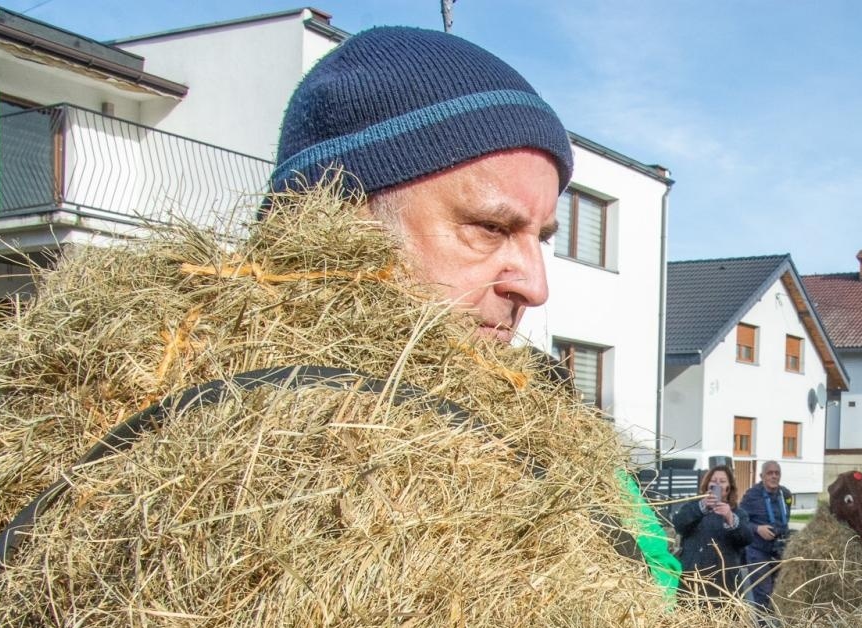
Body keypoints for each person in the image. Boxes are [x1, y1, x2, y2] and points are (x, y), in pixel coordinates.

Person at [270, 25, 679, 592]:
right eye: (490, 227)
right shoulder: (238, 430)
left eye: (543, 238)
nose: (535, 287)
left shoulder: (552, 410)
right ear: (334, 221)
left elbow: (657, 575)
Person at [671, 465, 750, 600]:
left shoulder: (738, 513)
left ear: (729, 487)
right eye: (714, 480)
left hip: (723, 584)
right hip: (693, 581)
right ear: (707, 484)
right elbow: (679, 524)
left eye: (722, 481)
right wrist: (701, 508)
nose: (717, 484)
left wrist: (730, 518)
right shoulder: (693, 506)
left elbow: (747, 538)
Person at [737, 461, 792, 610]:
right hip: (757, 550)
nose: (774, 476)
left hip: (779, 550)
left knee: (779, 592)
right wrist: (757, 528)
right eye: (770, 473)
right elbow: (740, 522)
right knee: (763, 593)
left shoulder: (785, 494)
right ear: (762, 476)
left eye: (777, 473)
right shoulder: (751, 495)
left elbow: (785, 520)